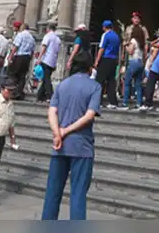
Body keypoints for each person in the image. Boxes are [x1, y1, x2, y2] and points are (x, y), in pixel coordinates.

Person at [41, 51, 102, 220]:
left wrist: (57, 133)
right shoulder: (95, 86)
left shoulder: (63, 84)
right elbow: (89, 115)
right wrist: (65, 131)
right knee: (78, 195)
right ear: (90, 67)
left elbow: (52, 111)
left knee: (52, 193)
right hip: (82, 146)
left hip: (59, 145)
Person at [93, 20, 121, 109]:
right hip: (113, 59)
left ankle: (98, 101)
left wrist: (97, 60)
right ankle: (113, 102)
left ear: (104, 27)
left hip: (106, 58)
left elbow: (102, 48)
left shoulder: (105, 35)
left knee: (99, 80)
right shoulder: (116, 36)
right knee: (111, 81)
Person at [9, 21, 35, 100]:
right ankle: (19, 92)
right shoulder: (31, 37)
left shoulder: (20, 35)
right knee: (22, 76)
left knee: (13, 73)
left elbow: (16, 46)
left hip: (19, 56)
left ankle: (13, 91)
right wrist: (30, 59)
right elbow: (33, 50)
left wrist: (10, 56)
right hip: (26, 57)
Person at [36, 23, 61, 103]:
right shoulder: (58, 39)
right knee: (45, 78)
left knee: (46, 79)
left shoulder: (47, 36)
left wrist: (39, 58)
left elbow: (44, 47)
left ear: (48, 28)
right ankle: (40, 96)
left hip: (46, 60)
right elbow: (57, 52)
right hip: (53, 61)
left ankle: (50, 95)